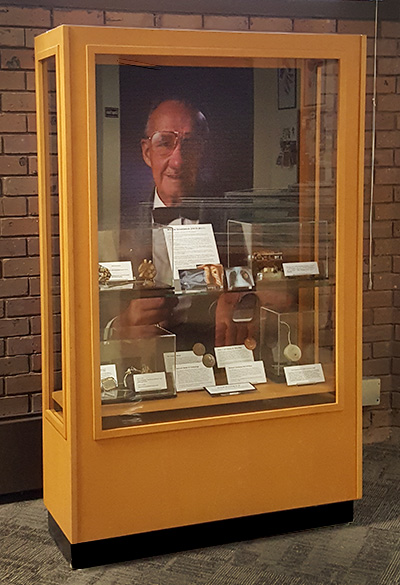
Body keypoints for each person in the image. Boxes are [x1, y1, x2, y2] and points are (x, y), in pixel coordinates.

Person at [107, 98, 292, 345]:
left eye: (190, 144)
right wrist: (120, 326)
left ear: (204, 151)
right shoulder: (120, 226)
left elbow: (273, 288)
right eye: (164, 143)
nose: (178, 161)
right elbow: (91, 314)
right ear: (146, 152)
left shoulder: (233, 217)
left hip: (217, 353)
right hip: (146, 360)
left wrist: (242, 298)